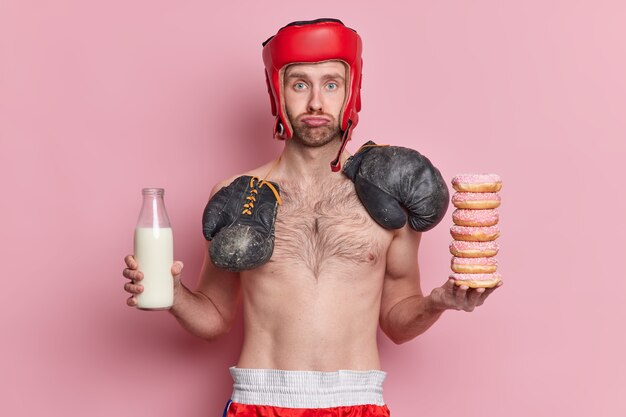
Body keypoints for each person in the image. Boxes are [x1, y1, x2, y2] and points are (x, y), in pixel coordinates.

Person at [122, 18, 502, 417]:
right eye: (300, 84)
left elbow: (396, 321)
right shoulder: (239, 194)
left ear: (352, 92)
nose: (316, 102)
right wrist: (173, 292)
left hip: (356, 401)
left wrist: (437, 303)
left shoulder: (388, 196)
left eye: (331, 84)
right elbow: (215, 318)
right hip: (260, 399)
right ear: (277, 92)